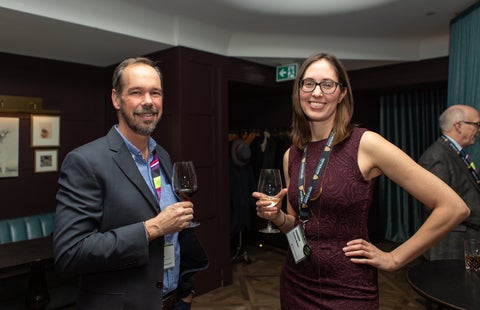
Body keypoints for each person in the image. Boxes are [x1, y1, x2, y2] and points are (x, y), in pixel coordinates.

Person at [252, 52, 469, 309]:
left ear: (342, 93)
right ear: (298, 91)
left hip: (349, 290)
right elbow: (297, 226)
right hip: (296, 283)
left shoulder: (366, 144)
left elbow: (453, 207)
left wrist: (395, 258)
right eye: (308, 83)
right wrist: (277, 217)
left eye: (327, 84)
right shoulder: (292, 155)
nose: (317, 92)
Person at [53, 57, 208, 310]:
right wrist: (152, 229)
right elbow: (70, 253)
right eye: (136, 92)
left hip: (175, 302)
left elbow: (177, 238)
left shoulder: (164, 157)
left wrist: (186, 290)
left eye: (155, 93)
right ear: (116, 99)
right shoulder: (85, 161)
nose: (148, 101)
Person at [418, 104, 480, 260]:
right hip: (450, 246)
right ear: (458, 126)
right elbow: (436, 206)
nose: (478, 130)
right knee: (455, 284)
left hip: (466, 239)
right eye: (476, 125)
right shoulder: (436, 157)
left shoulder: (455, 152)